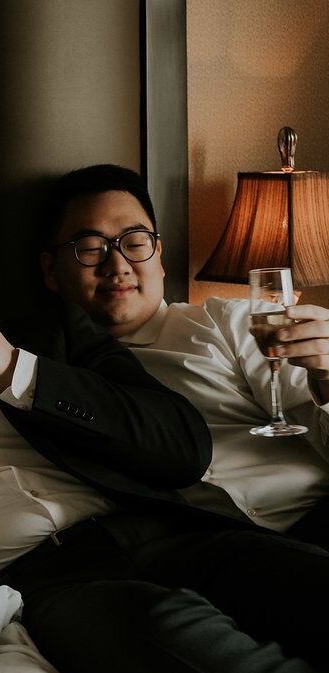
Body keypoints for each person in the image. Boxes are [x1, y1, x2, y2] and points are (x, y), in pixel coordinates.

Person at [0, 166, 329, 673]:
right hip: (49, 583)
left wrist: (11, 368)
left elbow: (183, 449)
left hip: (167, 536)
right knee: (167, 636)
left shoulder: (53, 335)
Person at [39, 163, 329, 548]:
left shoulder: (232, 322)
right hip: (214, 551)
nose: (118, 265)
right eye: (91, 248)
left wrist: (326, 383)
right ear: (51, 271)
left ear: (158, 255)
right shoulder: (52, 383)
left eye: (135, 243)